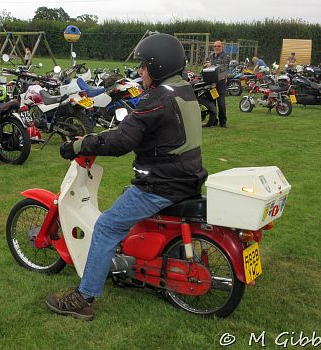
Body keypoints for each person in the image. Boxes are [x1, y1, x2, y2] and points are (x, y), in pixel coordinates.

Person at [45, 33, 208, 321]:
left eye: (145, 65)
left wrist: (79, 145)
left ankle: (84, 297)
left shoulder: (158, 98)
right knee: (125, 197)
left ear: (159, 66)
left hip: (162, 184)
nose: (140, 71)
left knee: (107, 226)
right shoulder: (184, 90)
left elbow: (121, 140)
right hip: (186, 177)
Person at [203, 40, 229, 128]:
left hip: (220, 83)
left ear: (222, 47)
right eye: (215, 46)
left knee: (221, 103)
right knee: (212, 103)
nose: (216, 48)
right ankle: (213, 121)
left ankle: (223, 122)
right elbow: (205, 65)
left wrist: (211, 63)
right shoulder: (210, 56)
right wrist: (205, 66)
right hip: (211, 83)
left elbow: (223, 64)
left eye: (218, 46)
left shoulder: (225, 56)